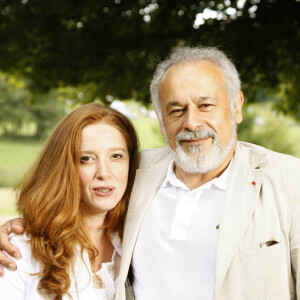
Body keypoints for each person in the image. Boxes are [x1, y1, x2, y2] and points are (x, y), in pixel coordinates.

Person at [1, 46, 300, 299]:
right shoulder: (135, 171)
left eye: (206, 105)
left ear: (236, 106)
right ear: (160, 119)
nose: (192, 123)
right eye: (176, 110)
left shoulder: (288, 180)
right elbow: (74, 199)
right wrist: (23, 229)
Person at [0, 103, 139, 299]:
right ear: (64, 168)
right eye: (86, 159)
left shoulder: (137, 240)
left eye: (116, 156)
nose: (104, 173)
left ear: (130, 163)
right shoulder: (19, 250)